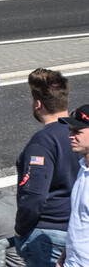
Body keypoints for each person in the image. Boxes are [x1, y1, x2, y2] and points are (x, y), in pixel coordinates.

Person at [15, 68, 80, 267]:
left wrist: (20, 229)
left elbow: (35, 195)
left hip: (48, 235)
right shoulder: (81, 135)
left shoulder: (42, 142)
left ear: (38, 103)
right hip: (75, 231)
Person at [56, 105, 89, 267]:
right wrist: (64, 256)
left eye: (77, 131)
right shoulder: (83, 168)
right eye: (70, 130)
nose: (70, 136)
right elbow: (79, 221)